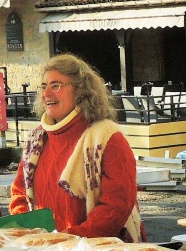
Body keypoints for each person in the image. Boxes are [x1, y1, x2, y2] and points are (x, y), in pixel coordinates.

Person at [10, 54, 143, 240]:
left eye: (55, 85)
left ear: (81, 90)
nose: (46, 94)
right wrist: (28, 235)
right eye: (43, 86)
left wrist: (68, 239)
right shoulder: (36, 139)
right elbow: (20, 193)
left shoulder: (107, 137)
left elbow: (116, 206)